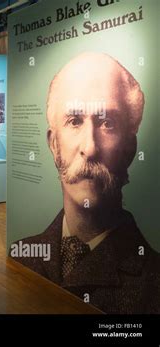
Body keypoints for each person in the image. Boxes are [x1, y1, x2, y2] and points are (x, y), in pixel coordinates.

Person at [11, 52, 160, 314]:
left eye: (107, 123)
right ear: (54, 143)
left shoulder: (154, 286)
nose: (90, 149)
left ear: (130, 148)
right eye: (74, 121)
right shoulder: (20, 255)